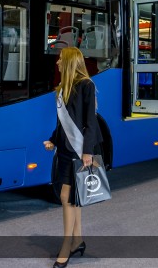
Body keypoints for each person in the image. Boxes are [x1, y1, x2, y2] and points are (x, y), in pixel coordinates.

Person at [43, 47, 102, 268]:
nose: (57, 62)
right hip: (66, 150)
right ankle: (77, 240)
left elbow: (90, 122)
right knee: (73, 198)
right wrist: (53, 140)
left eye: (60, 59)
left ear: (69, 62)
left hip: (81, 151)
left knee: (66, 197)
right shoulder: (62, 88)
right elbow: (62, 124)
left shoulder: (87, 85)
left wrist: (87, 151)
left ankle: (66, 247)